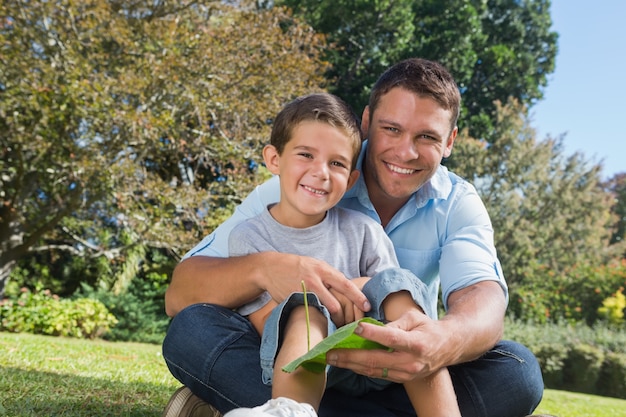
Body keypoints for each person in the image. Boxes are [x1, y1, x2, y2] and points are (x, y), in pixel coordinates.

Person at [162, 58, 544, 417]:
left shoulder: (457, 202)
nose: (405, 151)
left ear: (449, 142)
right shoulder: (293, 186)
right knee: (192, 329)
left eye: (426, 136)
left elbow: (484, 303)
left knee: (517, 371)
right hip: (298, 366)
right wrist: (266, 269)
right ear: (367, 122)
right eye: (391, 129)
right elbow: (181, 294)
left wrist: (437, 342)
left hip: (394, 371)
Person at [218, 93, 460, 417]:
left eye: (336, 163)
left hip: (378, 356)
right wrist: (327, 299)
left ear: (350, 181)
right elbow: (264, 323)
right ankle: (289, 411)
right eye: (306, 155)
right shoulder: (251, 237)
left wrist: (359, 288)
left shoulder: (363, 230)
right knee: (304, 307)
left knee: (398, 293)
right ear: (274, 159)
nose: (321, 172)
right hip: (308, 364)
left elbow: (390, 292)